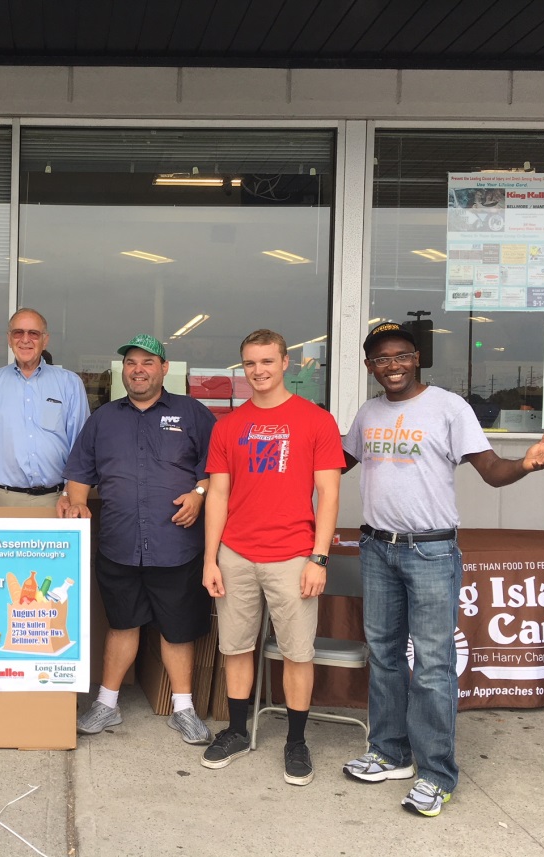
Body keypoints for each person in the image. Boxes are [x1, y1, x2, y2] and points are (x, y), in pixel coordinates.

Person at [341, 321, 544, 817]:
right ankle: (390, 752)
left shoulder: (447, 407)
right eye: (380, 359)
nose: (391, 366)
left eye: (399, 355)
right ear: (369, 367)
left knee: (435, 666)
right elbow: (335, 463)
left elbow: (490, 470)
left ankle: (437, 774)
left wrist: (526, 464)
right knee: (384, 656)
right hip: (377, 549)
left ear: (416, 357)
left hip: (431, 553)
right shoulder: (369, 412)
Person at [202, 329, 344, 785]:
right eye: (249, 363)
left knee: (298, 653)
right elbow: (218, 495)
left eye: (267, 361)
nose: (258, 371)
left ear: (286, 363)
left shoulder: (316, 420)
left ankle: (296, 741)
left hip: (293, 555)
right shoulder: (227, 425)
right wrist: (210, 559)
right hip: (236, 554)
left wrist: (318, 558)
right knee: (236, 647)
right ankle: (239, 731)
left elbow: (329, 493)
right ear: (241, 368)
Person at [62, 335, 216, 745]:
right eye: (131, 363)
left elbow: (218, 470)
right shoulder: (104, 419)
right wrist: (76, 503)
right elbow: (79, 473)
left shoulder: (192, 414)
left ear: (165, 368)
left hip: (177, 544)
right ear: (123, 371)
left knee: (176, 630)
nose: (139, 370)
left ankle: (183, 709)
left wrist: (200, 496)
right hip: (120, 543)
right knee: (122, 624)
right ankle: (106, 705)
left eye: (148, 362)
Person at [0, 308, 89, 512]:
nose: (25, 340)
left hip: (58, 502)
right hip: (4, 500)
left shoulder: (70, 384)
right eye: (18, 333)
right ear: (9, 339)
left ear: (45, 340)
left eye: (33, 334)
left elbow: (81, 448)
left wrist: (69, 494)